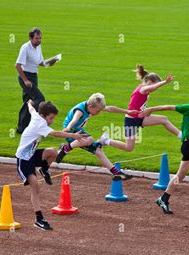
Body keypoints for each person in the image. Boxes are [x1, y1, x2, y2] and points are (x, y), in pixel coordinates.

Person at [16, 100, 86, 230]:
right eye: (51, 118)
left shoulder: (37, 115)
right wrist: (73, 135)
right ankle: (39, 219)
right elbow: (55, 133)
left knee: (53, 152)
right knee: (35, 187)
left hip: (32, 154)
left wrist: (29, 104)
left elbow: (32, 110)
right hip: (24, 160)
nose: (52, 121)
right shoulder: (40, 123)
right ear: (43, 116)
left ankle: (44, 169)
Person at [97, 64, 181, 151]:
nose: (155, 90)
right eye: (155, 87)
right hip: (131, 121)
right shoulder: (143, 89)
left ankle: (181, 136)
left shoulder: (144, 89)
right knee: (129, 148)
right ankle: (106, 140)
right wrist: (164, 82)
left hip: (141, 117)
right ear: (150, 82)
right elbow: (153, 87)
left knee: (164, 119)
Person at [55, 93, 138, 180]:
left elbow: (110, 108)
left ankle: (116, 173)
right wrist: (68, 128)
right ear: (90, 107)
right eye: (98, 111)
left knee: (97, 149)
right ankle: (65, 148)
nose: (98, 113)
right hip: (71, 132)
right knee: (89, 139)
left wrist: (127, 111)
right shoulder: (80, 110)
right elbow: (74, 120)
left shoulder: (91, 106)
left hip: (79, 131)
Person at [15, 27, 57, 133]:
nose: (39, 40)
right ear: (30, 38)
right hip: (26, 77)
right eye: (37, 38)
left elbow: (40, 62)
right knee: (39, 98)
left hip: (34, 76)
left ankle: (23, 127)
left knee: (29, 100)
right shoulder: (25, 48)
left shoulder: (38, 47)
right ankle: (24, 126)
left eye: (40, 38)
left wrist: (50, 62)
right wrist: (25, 81)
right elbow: (17, 65)